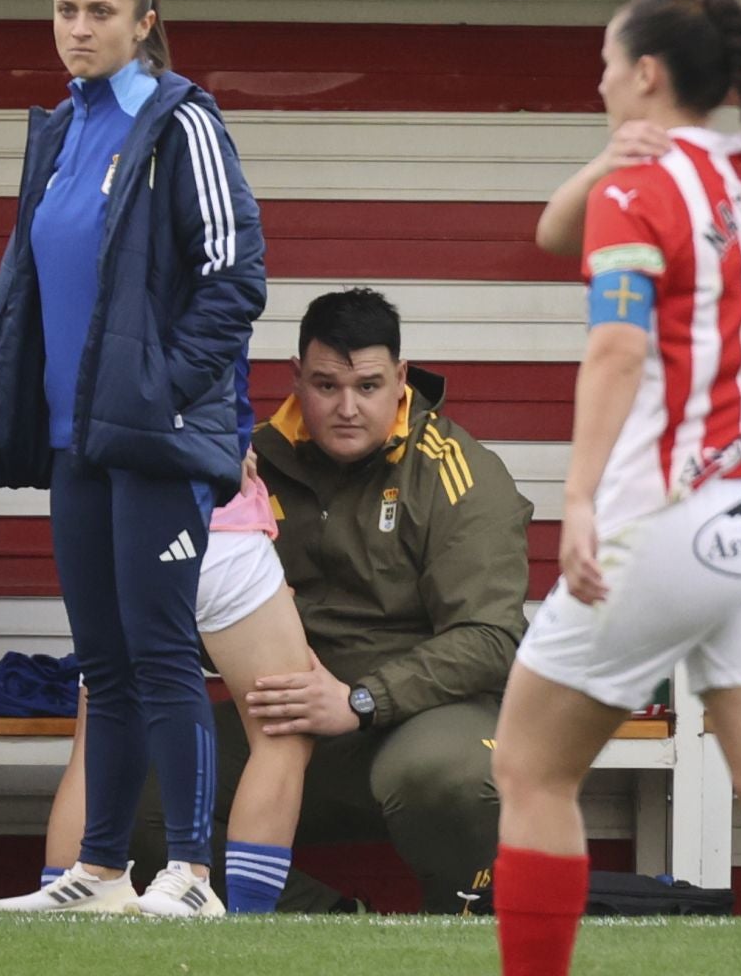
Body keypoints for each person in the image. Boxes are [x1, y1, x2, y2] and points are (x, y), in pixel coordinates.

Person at [492, 0, 741, 974]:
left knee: (528, 766)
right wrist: (609, 157)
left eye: (606, 61)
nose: (597, 79)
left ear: (645, 72)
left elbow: (615, 346)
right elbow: (560, 230)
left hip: (673, 519)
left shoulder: (640, 192)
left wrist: (583, 496)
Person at [0, 0, 268, 917]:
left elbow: (235, 279)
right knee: (102, 661)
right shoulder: (59, 129)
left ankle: (190, 873)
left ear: (145, 23)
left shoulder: (183, 123)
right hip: (74, 441)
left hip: (153, 439)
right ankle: (99, 871)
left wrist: (163, 392)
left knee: (163, 649)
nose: (80, 28)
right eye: (65, 10)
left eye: (101, 11)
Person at [201, 286, 533, 915]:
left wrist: (361, 700)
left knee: (450, 778)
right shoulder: (249, 462)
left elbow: (491, 640)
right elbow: (193, 622)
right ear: (296, 378)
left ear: (401, 379)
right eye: (326, 386)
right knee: (144, 784)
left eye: (369, 386)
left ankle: (462, 940)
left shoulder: (455, 466)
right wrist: (214, 497)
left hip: (425, 718)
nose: (347, 407)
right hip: (286, 716)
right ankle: (328, 930)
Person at [20, 445, 315, 915]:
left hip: (106, 513)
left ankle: (71, 899)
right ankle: (243, 916)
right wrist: (233, 436)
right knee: (282, 724)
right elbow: (212, 373)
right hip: (208, 518)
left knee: (102, 720)